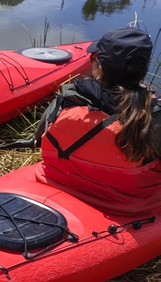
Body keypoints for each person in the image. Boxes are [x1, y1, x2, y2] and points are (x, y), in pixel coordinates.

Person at [34, 26, 161, 215]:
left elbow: (39, 139)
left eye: (94, 58)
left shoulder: (68, 99)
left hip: (59, 182)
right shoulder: (154, 115)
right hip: (128, 204)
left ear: (100, 68)